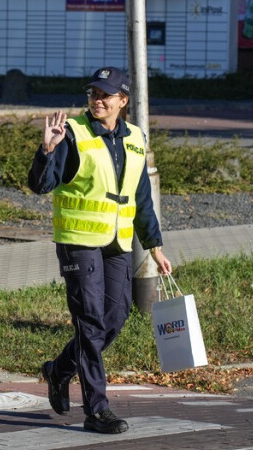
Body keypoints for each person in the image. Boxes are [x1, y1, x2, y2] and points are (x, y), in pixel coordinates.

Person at [27, 66, 172, 434]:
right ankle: (97, 410)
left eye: (106, 94)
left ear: (123, 100)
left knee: (114, 319)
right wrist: (46, 149)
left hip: (117, 244)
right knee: (90, 323)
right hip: (79, 243)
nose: (97, 99)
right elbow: (40, 185)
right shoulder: (73, 133)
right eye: (94, 93)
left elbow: (141, 197)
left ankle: (58, 370)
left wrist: (154, 246)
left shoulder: (135, 138)